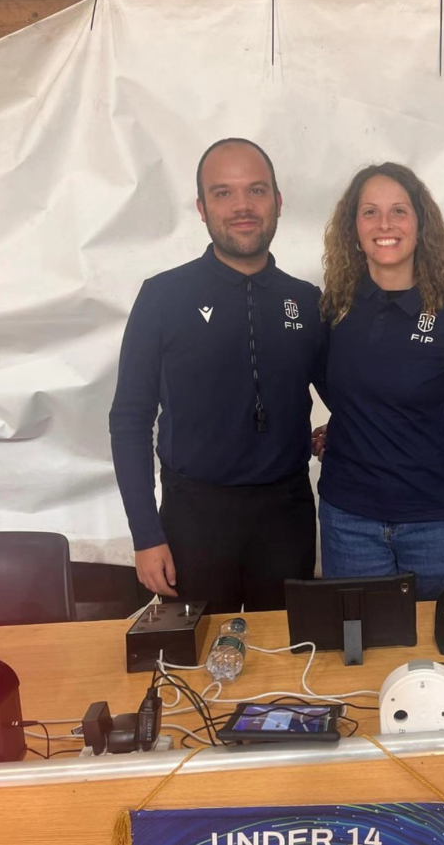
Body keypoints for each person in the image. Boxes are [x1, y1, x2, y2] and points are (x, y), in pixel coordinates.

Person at [109, 138, 323, 613]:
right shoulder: (162, 297)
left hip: (286, 518)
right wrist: (145, 534)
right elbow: (129, 420)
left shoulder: (306, 301)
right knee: (197, 656)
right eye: (223, 193)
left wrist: (343, 428)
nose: (242, 206)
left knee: (286, 652)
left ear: (278, 202)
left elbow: (353, 394)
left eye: (257, 190)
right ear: (202, 208)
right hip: (192, 520)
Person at [314, 162, 444, 601]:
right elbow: (341, 394)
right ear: (354, 229)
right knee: (358, 643)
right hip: (349, 522)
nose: (385, 224)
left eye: (399, 211)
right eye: (370, 212)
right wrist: (345, 427)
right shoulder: (333, 310)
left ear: (420, 224)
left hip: (439, 523)